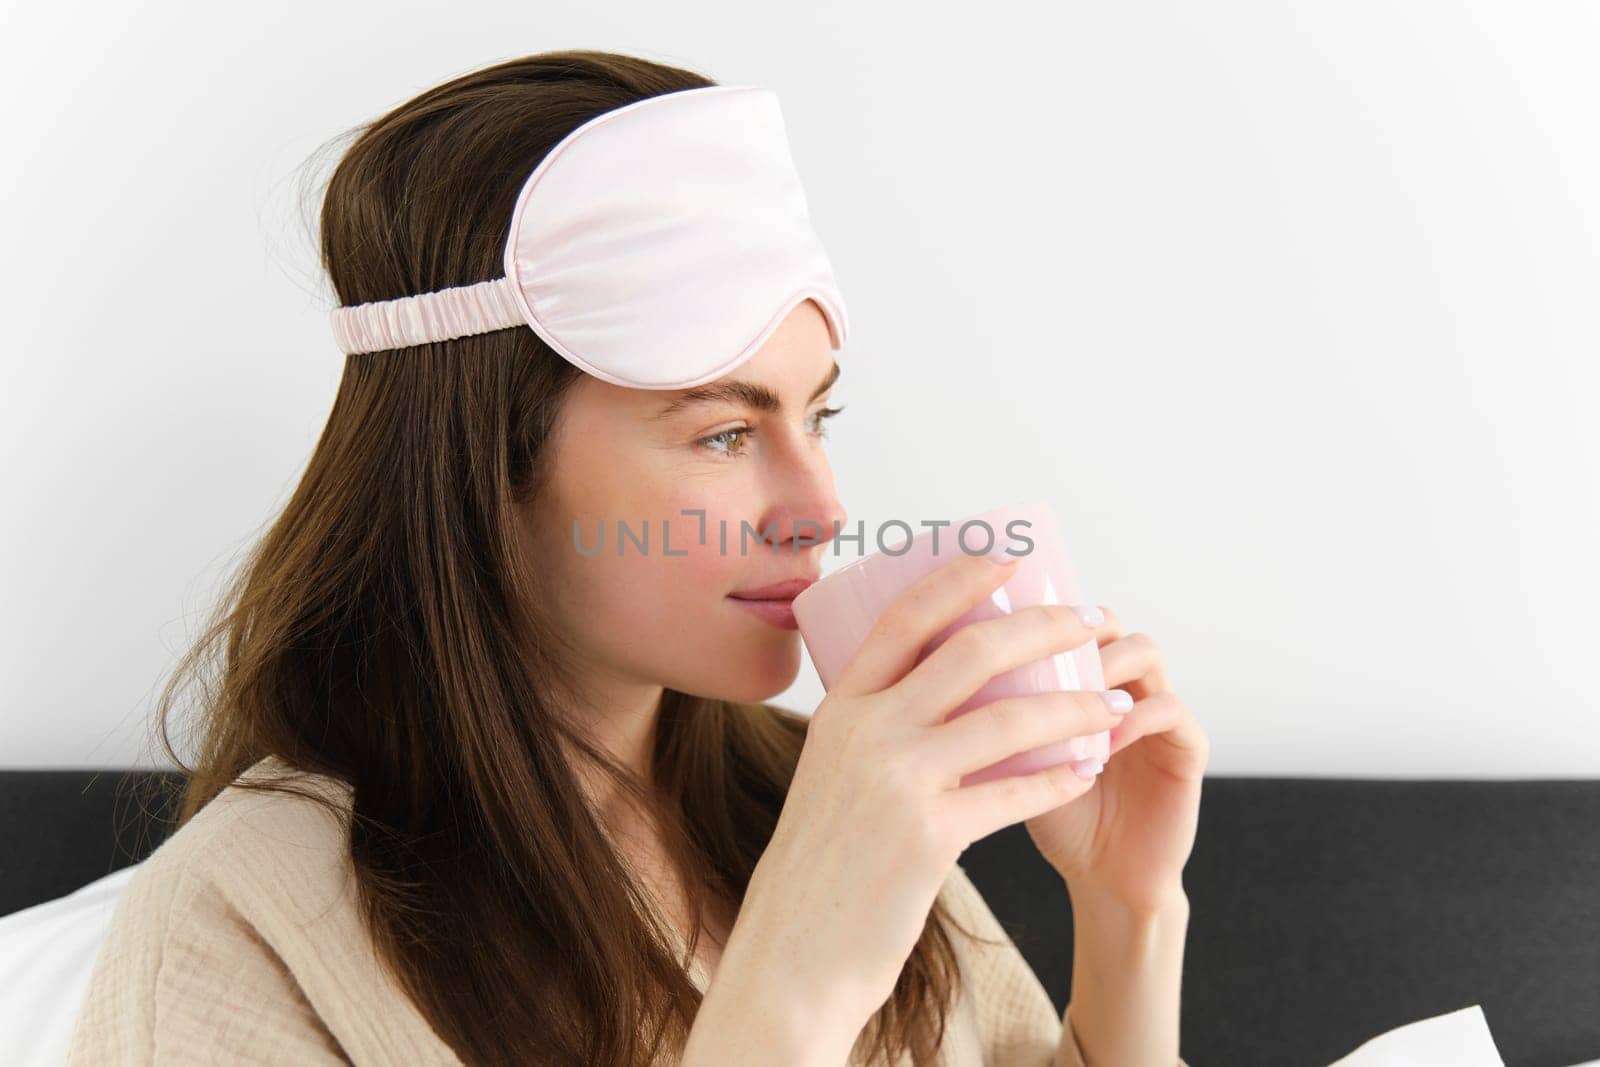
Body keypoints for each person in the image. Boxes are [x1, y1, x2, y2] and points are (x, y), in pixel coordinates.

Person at [65, 49, 1206, 1066]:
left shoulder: (815, 791)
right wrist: (792, 988)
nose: (819, 509)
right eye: (722, 432)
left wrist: (1127, 913)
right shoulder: (246, 922)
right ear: (482, 467)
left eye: (818, 418)